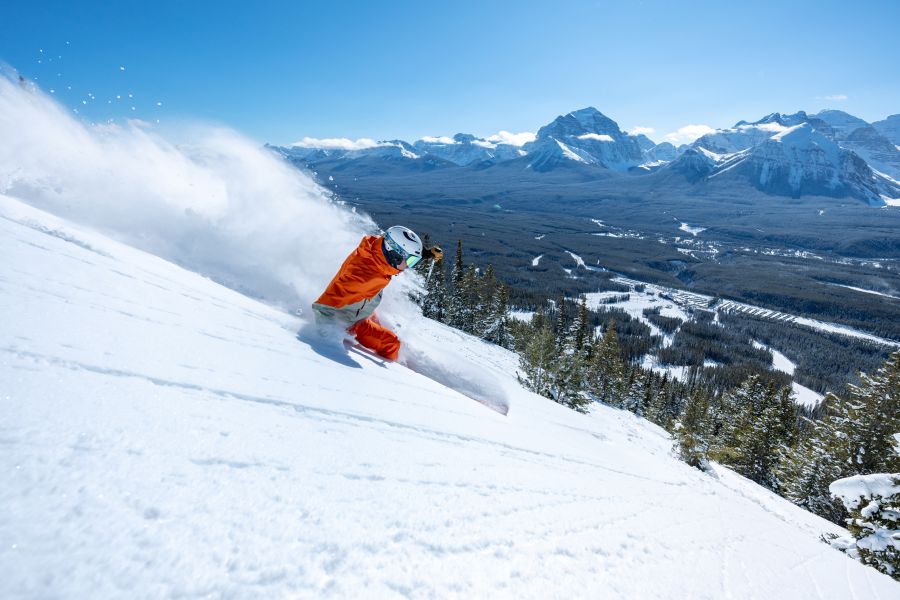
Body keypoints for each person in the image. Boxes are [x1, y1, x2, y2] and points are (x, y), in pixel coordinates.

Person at [312, 226, 442, 360]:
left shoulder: (376, 252)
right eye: (410, 261)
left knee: (377, 320)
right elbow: (323, 307)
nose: (409, 266)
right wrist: (330, 339)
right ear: (395, 255)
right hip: (350, 321)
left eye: (413, 261)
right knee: (392, 343)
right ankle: (395, 370)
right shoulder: (360, 277)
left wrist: (425, 254)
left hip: (361, 306)